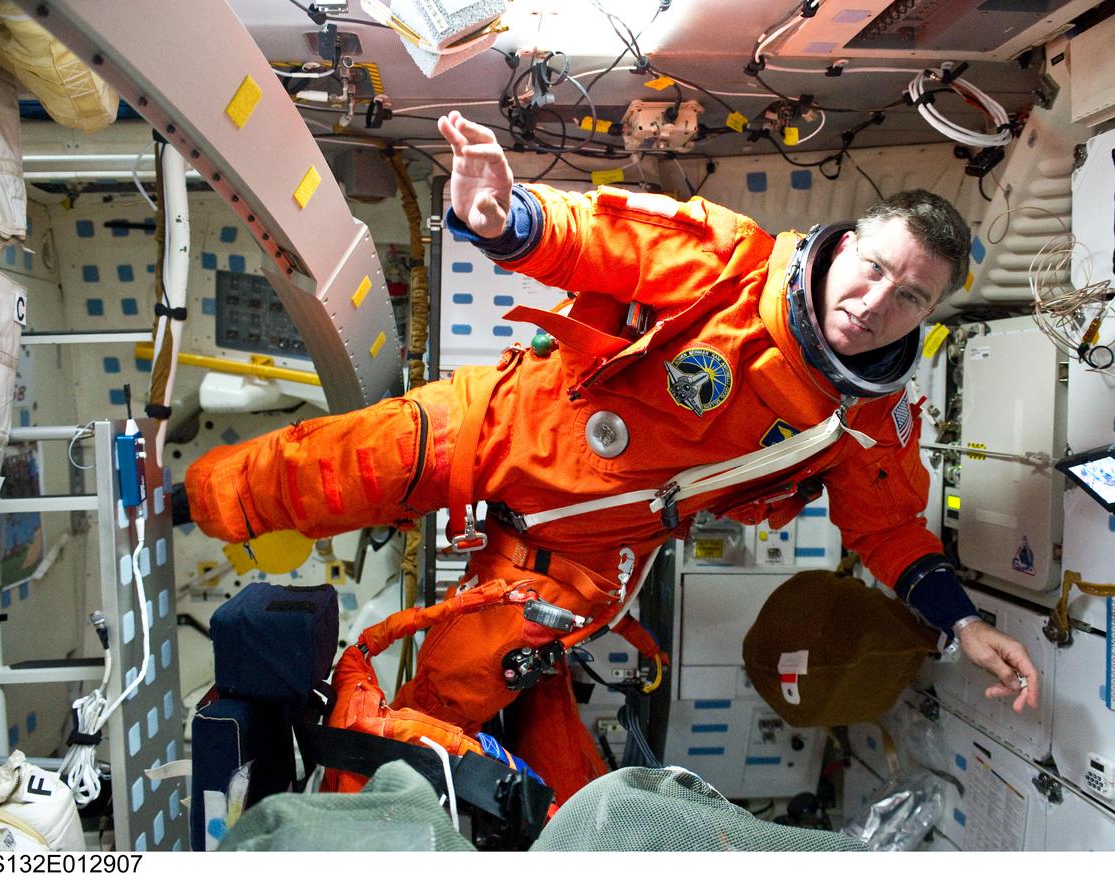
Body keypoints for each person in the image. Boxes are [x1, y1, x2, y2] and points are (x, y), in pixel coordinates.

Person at [182, 110, 1039, 801]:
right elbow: (599, 238)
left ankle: (359, 824)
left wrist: (962, 621)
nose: (878, 301)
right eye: (878, 269)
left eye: (911, 296)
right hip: (509, 427)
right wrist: (503, 218)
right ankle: (174, 502)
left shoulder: (867, 419)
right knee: (310, 472)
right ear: (848, 244)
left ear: (926, 314)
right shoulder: (733, 264)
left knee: (452, 699)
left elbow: (887, 526)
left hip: (580, 559)